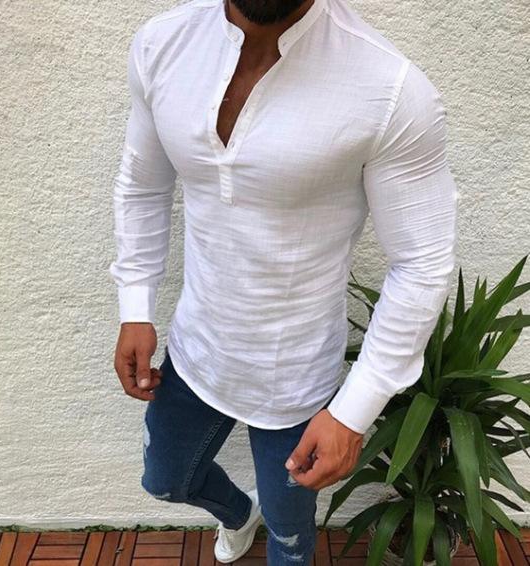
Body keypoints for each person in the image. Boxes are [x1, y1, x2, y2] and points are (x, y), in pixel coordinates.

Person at [109, 0, 459, 562]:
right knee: (166, 480)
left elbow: (421, 263)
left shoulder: (390, 88)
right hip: (198, 348)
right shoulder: (162, 44)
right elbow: (143, 185)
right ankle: (238, 515)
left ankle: (271, 525)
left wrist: (353, 410)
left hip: (296, 375)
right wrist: (135, 304)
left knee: (291, 540)